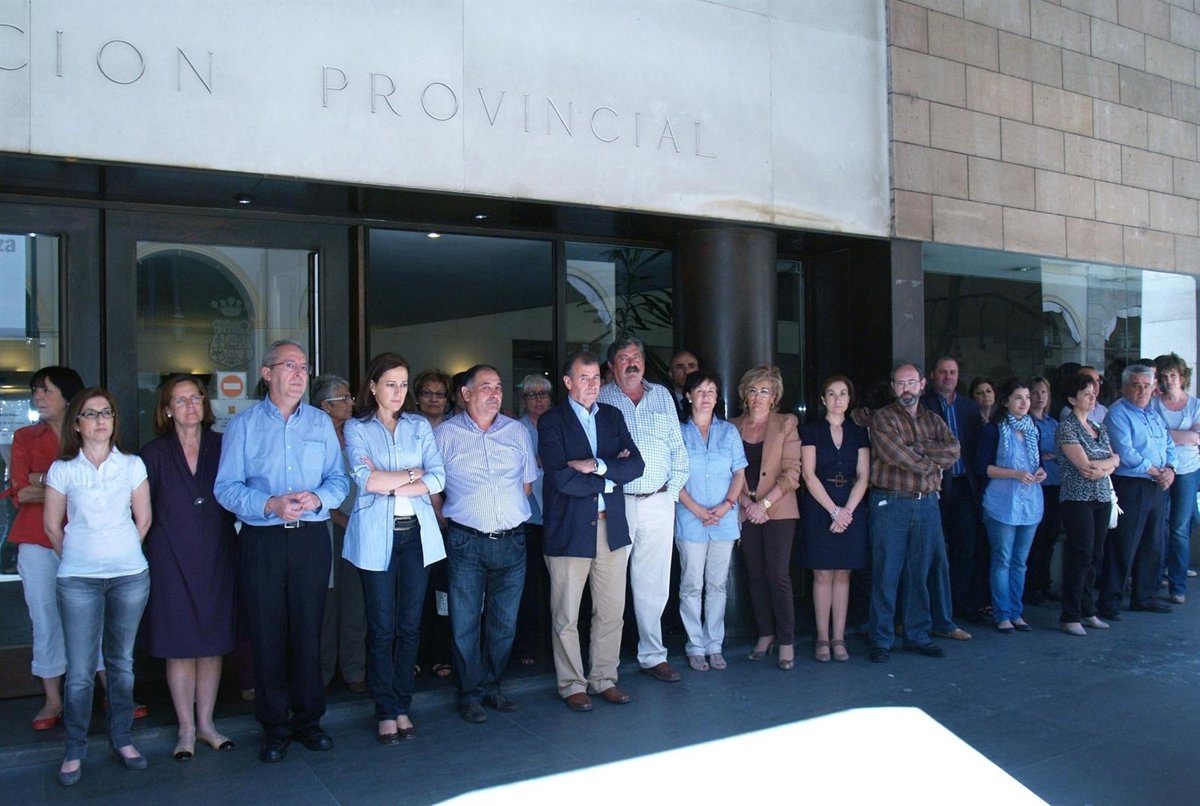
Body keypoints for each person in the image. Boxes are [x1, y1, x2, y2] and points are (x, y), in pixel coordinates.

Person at [214, 340, 349, 763]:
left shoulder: (320, 423)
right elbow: (225, 488)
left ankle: (309, 721)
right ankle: (274, 727)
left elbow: (339, 480)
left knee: (309, 630)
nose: (298, 374)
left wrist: (318, 498)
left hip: (310, 539)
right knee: (267, 633)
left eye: (304, 367)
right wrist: (269, 504)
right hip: (263, 541)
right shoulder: (244, 425)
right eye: (289, 365)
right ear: (267, 373)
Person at [43, 388, 151, 786]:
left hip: (129, 576)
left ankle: (122, 739)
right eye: (91, 414)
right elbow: (52, 527)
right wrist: (80, 557)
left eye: (107, 413)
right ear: (76, 424)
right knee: (81, 670)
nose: (101, 420)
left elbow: (143, 520)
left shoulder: (132, 465)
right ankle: (74, 749)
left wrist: (119, 553)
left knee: (121, 663)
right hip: (78, 579)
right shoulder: (63, 469)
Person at [342, 353, 445, 745]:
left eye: (403, 384)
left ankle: (403, 704)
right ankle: (385, 709)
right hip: (376, 536)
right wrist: (413, 474)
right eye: (390, 384)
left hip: (416, 535)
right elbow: (365, 480)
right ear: (373, 386)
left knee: (410, 625)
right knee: (382, 627)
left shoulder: (418, 426)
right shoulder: (357, 427)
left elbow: (439, 477)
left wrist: (392, 481)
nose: (398, 392)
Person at [538, 351, 644, 711]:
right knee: (566, 614)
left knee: (612, 610)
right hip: (569, 529)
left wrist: (595, 465)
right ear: (568, 382)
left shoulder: (612, 416)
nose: (592, 384)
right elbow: (561, 478)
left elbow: (637, 466)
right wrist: (611, 476)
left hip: (611, 527)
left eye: (596, 377)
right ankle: (571, 685)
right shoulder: (552, 421)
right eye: (584, 378)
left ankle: (603, 679)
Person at [140, 376, 238, 761]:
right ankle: (185, 729)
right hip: (170, 558)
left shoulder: (223, 445)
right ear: (167, 410)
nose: (190, 406)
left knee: (211, 644)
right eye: (180, 401)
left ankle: (207, 725)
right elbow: (141, 511)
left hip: (217, 554)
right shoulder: (153, 453)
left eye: (195, 398)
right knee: (179, 645)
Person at [435, 364, 538, 723]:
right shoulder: (445, 435)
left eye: (498, 387)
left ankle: (492, 685)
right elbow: (433, 488)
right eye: (485, 387)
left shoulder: (516, 431)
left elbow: (526, 485)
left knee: (504, 622)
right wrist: (447, 519)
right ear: (465, 394)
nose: (495, 394)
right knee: (465, 622)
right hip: (466, 541)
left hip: (512, 541)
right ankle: (469, 693)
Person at [598, 336, 689, 683]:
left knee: (654, 583)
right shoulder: (600, 397)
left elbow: (678, 450)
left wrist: (671, 496)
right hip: (616, 502)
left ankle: (653, 656)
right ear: (611, 367)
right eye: (624, 358)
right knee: (609, 583)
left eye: (636, 356)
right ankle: (605, 662)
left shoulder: (662, 395)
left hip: (658, 500)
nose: (632, 363)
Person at [867, 362, 960, 663]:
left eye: (911, 382)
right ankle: (881, 639)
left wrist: (916, 447)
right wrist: (930, 461)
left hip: (928, 503)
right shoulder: (883, 418)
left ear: (922, 384)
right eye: (900, 383)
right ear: (893, 387)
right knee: (886, 573)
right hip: (890, 503)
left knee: (919, 573)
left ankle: (918, 635)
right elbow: (894, 453)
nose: (906, 389)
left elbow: (953, 451)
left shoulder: (934, 419)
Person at [10, 366, 84, 731]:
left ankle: (109, 690)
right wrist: (72, 484)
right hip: (37, 540)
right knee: (45, 618)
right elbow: (21, 493)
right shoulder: (25, 437)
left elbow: (103, 483)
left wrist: (44, 479)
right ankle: (53, 699)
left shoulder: (88, 430)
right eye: (35, 391)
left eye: (46, 390)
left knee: (95, 617)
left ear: (68, 397)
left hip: (86, 540)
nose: (38, 397)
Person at [675, 370, 746, 672]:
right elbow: (673, 477)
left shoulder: (728, 432)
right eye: (700, 391)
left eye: (711, 391)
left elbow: (739, 473)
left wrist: (727, 505)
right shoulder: (679, 432)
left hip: (723, 519)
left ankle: (714, 645)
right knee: (691, 585)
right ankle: (695, 645)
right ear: (688, 395)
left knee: (717, 585)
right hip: (690, 519)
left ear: (718, 398)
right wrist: (697, 509)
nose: (706, 396)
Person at [732, 365, 801, 670]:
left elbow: (792, 472)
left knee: (778, 574)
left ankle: (786, 640)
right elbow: (728, 472)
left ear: (774, 397)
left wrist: (765, 505)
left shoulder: (786, 423)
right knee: (755, 574)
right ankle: (765, 633)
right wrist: (747, 503)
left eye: (764, 391)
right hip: (745, 509)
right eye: (753, 390)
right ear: (744, 395)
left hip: (779, 510)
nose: (758, 396)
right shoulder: (732, 426)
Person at [800, 376, 869, 663]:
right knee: (822, 573)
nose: (837, 399)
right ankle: (822, 637)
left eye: (843, 393)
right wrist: (834, 511)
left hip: (851, 509)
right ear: (823, 399)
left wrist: (847, 511)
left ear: (850, 399)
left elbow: (863, 476)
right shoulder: (811, 431)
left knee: (843, 574)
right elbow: (808, 475)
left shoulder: (859, 433)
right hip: (820, 508)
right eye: (831, 393)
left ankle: (839, 637)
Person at [1099, 364, 1177, 619]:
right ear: (1124, 388)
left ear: (1153, 388)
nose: (1142, 391)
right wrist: (1156, 470)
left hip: (1157, 485)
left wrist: (1171, 469)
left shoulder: (1153, 414)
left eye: (1146, 386)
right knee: (1123, 545)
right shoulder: (1118, 413)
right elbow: (1126, 452)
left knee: (1152, 543)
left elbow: (1169, 444)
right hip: (1131, 485)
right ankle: (1109, 601)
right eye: (1136, 386)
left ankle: (1144, 597)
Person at [977, 379, 1046, 634]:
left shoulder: (1032, 429)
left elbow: (1036, 462)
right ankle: (1002, 613)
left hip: (1030, 502)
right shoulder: (993, 429)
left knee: (1020, 561)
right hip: (1002, 502)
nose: (1025, 402)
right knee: (1002, 559)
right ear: (1005, 402)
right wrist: (1014, 474)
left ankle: (1017, 612)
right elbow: (982, 467)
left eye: (1027, 397)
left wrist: (1040, 472)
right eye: (1018, 397)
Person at [312, 374, 367, 693]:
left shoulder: (357, 432)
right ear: (325, 406)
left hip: (360, 526)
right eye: (343, 398)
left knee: (355, 600)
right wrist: (341, 519)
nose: (351, 403)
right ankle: (322, 671)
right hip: (325, 526)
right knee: (327, 601)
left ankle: (354, 668)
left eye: (350, 397)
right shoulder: (313, 436)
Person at [920, 357, 983, 628]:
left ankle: (961, 605)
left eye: (953, 372)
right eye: (943, 372)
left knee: (964, 547)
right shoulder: (923, 405)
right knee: (932, 552)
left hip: (964, 486)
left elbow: (977, 447)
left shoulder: (969, 407)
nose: (948, 377)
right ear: (932, 375)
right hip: (933, 487)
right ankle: (933, 608)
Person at [1056, 374, 1119, 636]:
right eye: (1086, 394)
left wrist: (1104, 467)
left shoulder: (1098, 427)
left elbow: (1116, 459)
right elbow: (1084, 466)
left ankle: (1088, 609)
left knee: (1095, 555)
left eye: (1094, 393)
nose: (1093, 398)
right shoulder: (1067, 428)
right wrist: (1107, 465)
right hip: (1077, 498)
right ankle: (1070, 615)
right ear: (1072, 399)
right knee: (1080, 554)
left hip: (1101, 497)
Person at [412, 368, 454, 679]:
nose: (434, 399)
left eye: (440, 394)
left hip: (448, 524)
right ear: (417, 397)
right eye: (427, 393)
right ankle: (413, 655)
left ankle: (441, 654)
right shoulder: (407, 429)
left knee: (443, 593)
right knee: (414, 593)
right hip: (413, 521)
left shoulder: (455, 430)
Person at [1150, 353, 1200, 605]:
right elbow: (1152, 435)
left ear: (1182, 378)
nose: (1169, 380)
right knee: (1159, 525)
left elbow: (1197, 438)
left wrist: (1166, 433)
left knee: (1180, 528)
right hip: (1160, 469)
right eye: (1165, 376)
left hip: (1188, 469)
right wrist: (1183, 435)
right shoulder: (1153, 404)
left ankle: (1177, 585)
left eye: (1173, 375)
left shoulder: (1195, 405)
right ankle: (1154, 577)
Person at [514, 373, 553, 666]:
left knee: (557, 583)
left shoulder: (562, 425)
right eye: (532, 394)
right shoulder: (515, 429)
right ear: (523, 399)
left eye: (543, 394)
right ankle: (529, 643)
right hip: (527, 516)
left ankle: (554, 642)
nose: (538, 399)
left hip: (558, 516)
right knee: (529, 584)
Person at [1026, 376, 1061, 605]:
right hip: (1034, 486)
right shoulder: (1026, 422)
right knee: (1035, 538)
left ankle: (1045, 583)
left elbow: (1062, 451)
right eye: (1036, 392)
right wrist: (1046, 456)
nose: (1040, 396)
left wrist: (1052, 455)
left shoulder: (1053, 423)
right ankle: (1032, 587)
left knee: (1050, 536)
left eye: (1044, 392)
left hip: (1055, 483)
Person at [669, 350, 699, 421]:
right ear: (671, 374)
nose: (687, 371)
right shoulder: (664, 401)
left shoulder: (711, 400)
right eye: (680, 367)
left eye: (691, 366)